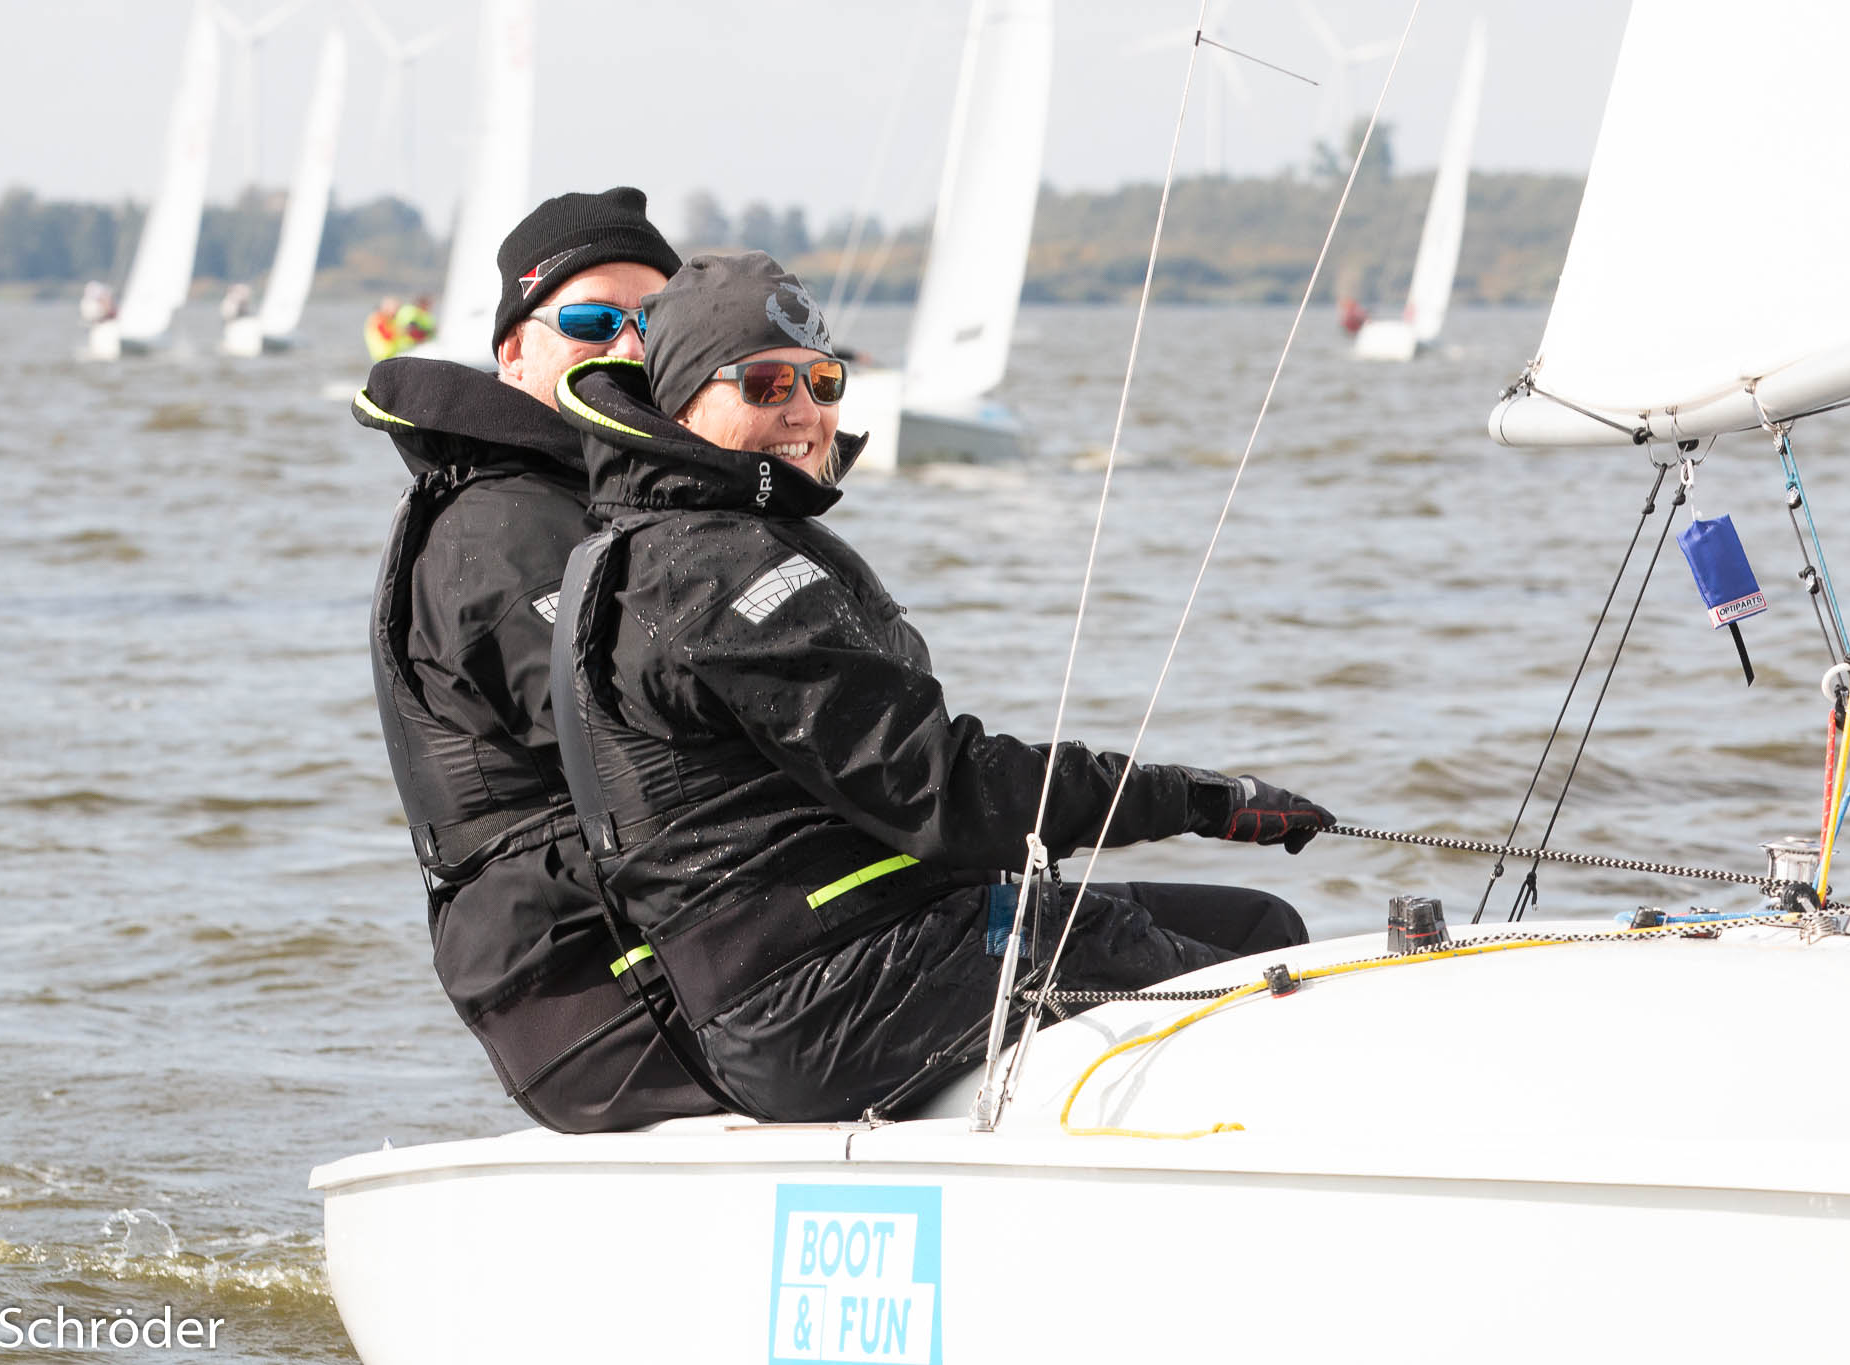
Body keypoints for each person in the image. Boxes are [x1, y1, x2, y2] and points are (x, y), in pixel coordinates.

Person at [550, 252, 1333, 1124]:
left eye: (822, 380)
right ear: (683, 405)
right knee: (1249, 996)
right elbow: (946, 787)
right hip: (815, 1001)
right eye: (766, 384)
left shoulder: (707, 536)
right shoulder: (708, 568)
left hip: (878, 942)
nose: (804, 412)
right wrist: (1198, 799)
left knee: (1262, 931)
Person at [353, 188, 720, 1132]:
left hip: (671, 934)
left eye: (653, 322)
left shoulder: (618, 505)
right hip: (591, 993)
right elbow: (650, 750)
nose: (627, 346)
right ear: (514, 352)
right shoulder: (500, 530)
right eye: (592, 323)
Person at [365, 295, 404, 362]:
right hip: (384, 356)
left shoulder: (388, 319)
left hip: (391, 354)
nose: (397, 312)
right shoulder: (378, 318)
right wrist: (402, 332)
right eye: (396, 309)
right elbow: (386, 335)